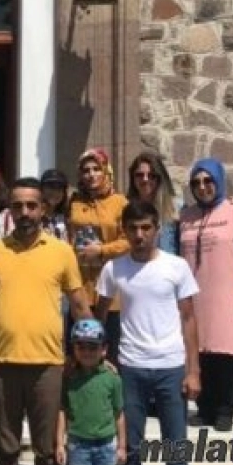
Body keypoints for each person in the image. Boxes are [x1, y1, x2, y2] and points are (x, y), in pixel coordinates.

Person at [0, 177, 93, 465]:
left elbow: (79, 304)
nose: (25, 212)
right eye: (17, 206)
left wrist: (93, 354)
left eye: (32, 205)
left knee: (47, 450)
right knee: (6, 448)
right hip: (2, 362)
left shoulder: (61, 252)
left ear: (43, 209)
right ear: (9, 210)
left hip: (48, 364)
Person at [96, 200, 201, 465]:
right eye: (133, 228)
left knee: (176, 455)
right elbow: (99, 316)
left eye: (145, 228)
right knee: (129, 452)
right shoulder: (114, 268)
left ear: (157, 229)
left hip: (171, 367)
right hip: (130, 368)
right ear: (124, 231)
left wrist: (194, 371)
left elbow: (189, 319)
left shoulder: (176, 266)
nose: (139, 235)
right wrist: (100, 358)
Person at [178, 158, 233, 433]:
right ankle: (205, 408)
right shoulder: (185, 217)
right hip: (195, 295)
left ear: (218, 181)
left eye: (208, 181)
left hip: (227, 295)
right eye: (196, 182)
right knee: (199, 350)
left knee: (225, 353)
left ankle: (225, 410)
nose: (202, 187)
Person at [68, 148, 129, 368]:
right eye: (86, 170)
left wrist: (102, 250)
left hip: (110, 290)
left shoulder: (120, 202)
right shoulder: (74, 201)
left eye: (96, 169)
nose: (91, 174)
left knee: (109, 354)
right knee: (79, 352)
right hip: (81, 287)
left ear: (106, 171)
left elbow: (128, 240)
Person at [56, 319, 125, 465]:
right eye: (81, 347)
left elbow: (119, 413)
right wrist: (60, 444)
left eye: (93, 347)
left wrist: (122, 446)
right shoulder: (69, 378)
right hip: (77, 445)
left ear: (104, 349)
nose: (87, 352)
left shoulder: (112, 379)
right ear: (73, 349)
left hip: (107, 445)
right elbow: (62, 411)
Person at [125, 152, 180, 255]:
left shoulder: (175, 207)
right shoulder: (126, 208)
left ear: (159, 178)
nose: (145, 179)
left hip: (168, 263)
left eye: (151, 175)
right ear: (133, 178)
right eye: (139, 175)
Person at [41, 168, 71, 241]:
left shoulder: (67, 218)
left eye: (59, 188)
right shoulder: (34, 217)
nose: (55, 192)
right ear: (41, 189)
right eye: (51, 187)